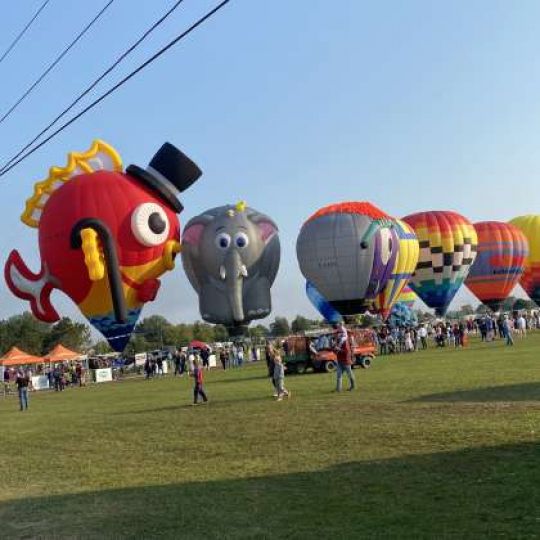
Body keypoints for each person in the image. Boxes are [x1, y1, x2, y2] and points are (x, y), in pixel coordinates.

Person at [335, 327, 355, 392]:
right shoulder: (338, 341)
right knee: (339, 375)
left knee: (349, 374)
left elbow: (346, 351)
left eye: (338, 333)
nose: (336, 335)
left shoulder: (345, 342)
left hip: (346, 361)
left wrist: (339, 349)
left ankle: (353, 386)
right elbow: (335, 351)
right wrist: (334, 348)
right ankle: (338, 389)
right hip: (339, 360)